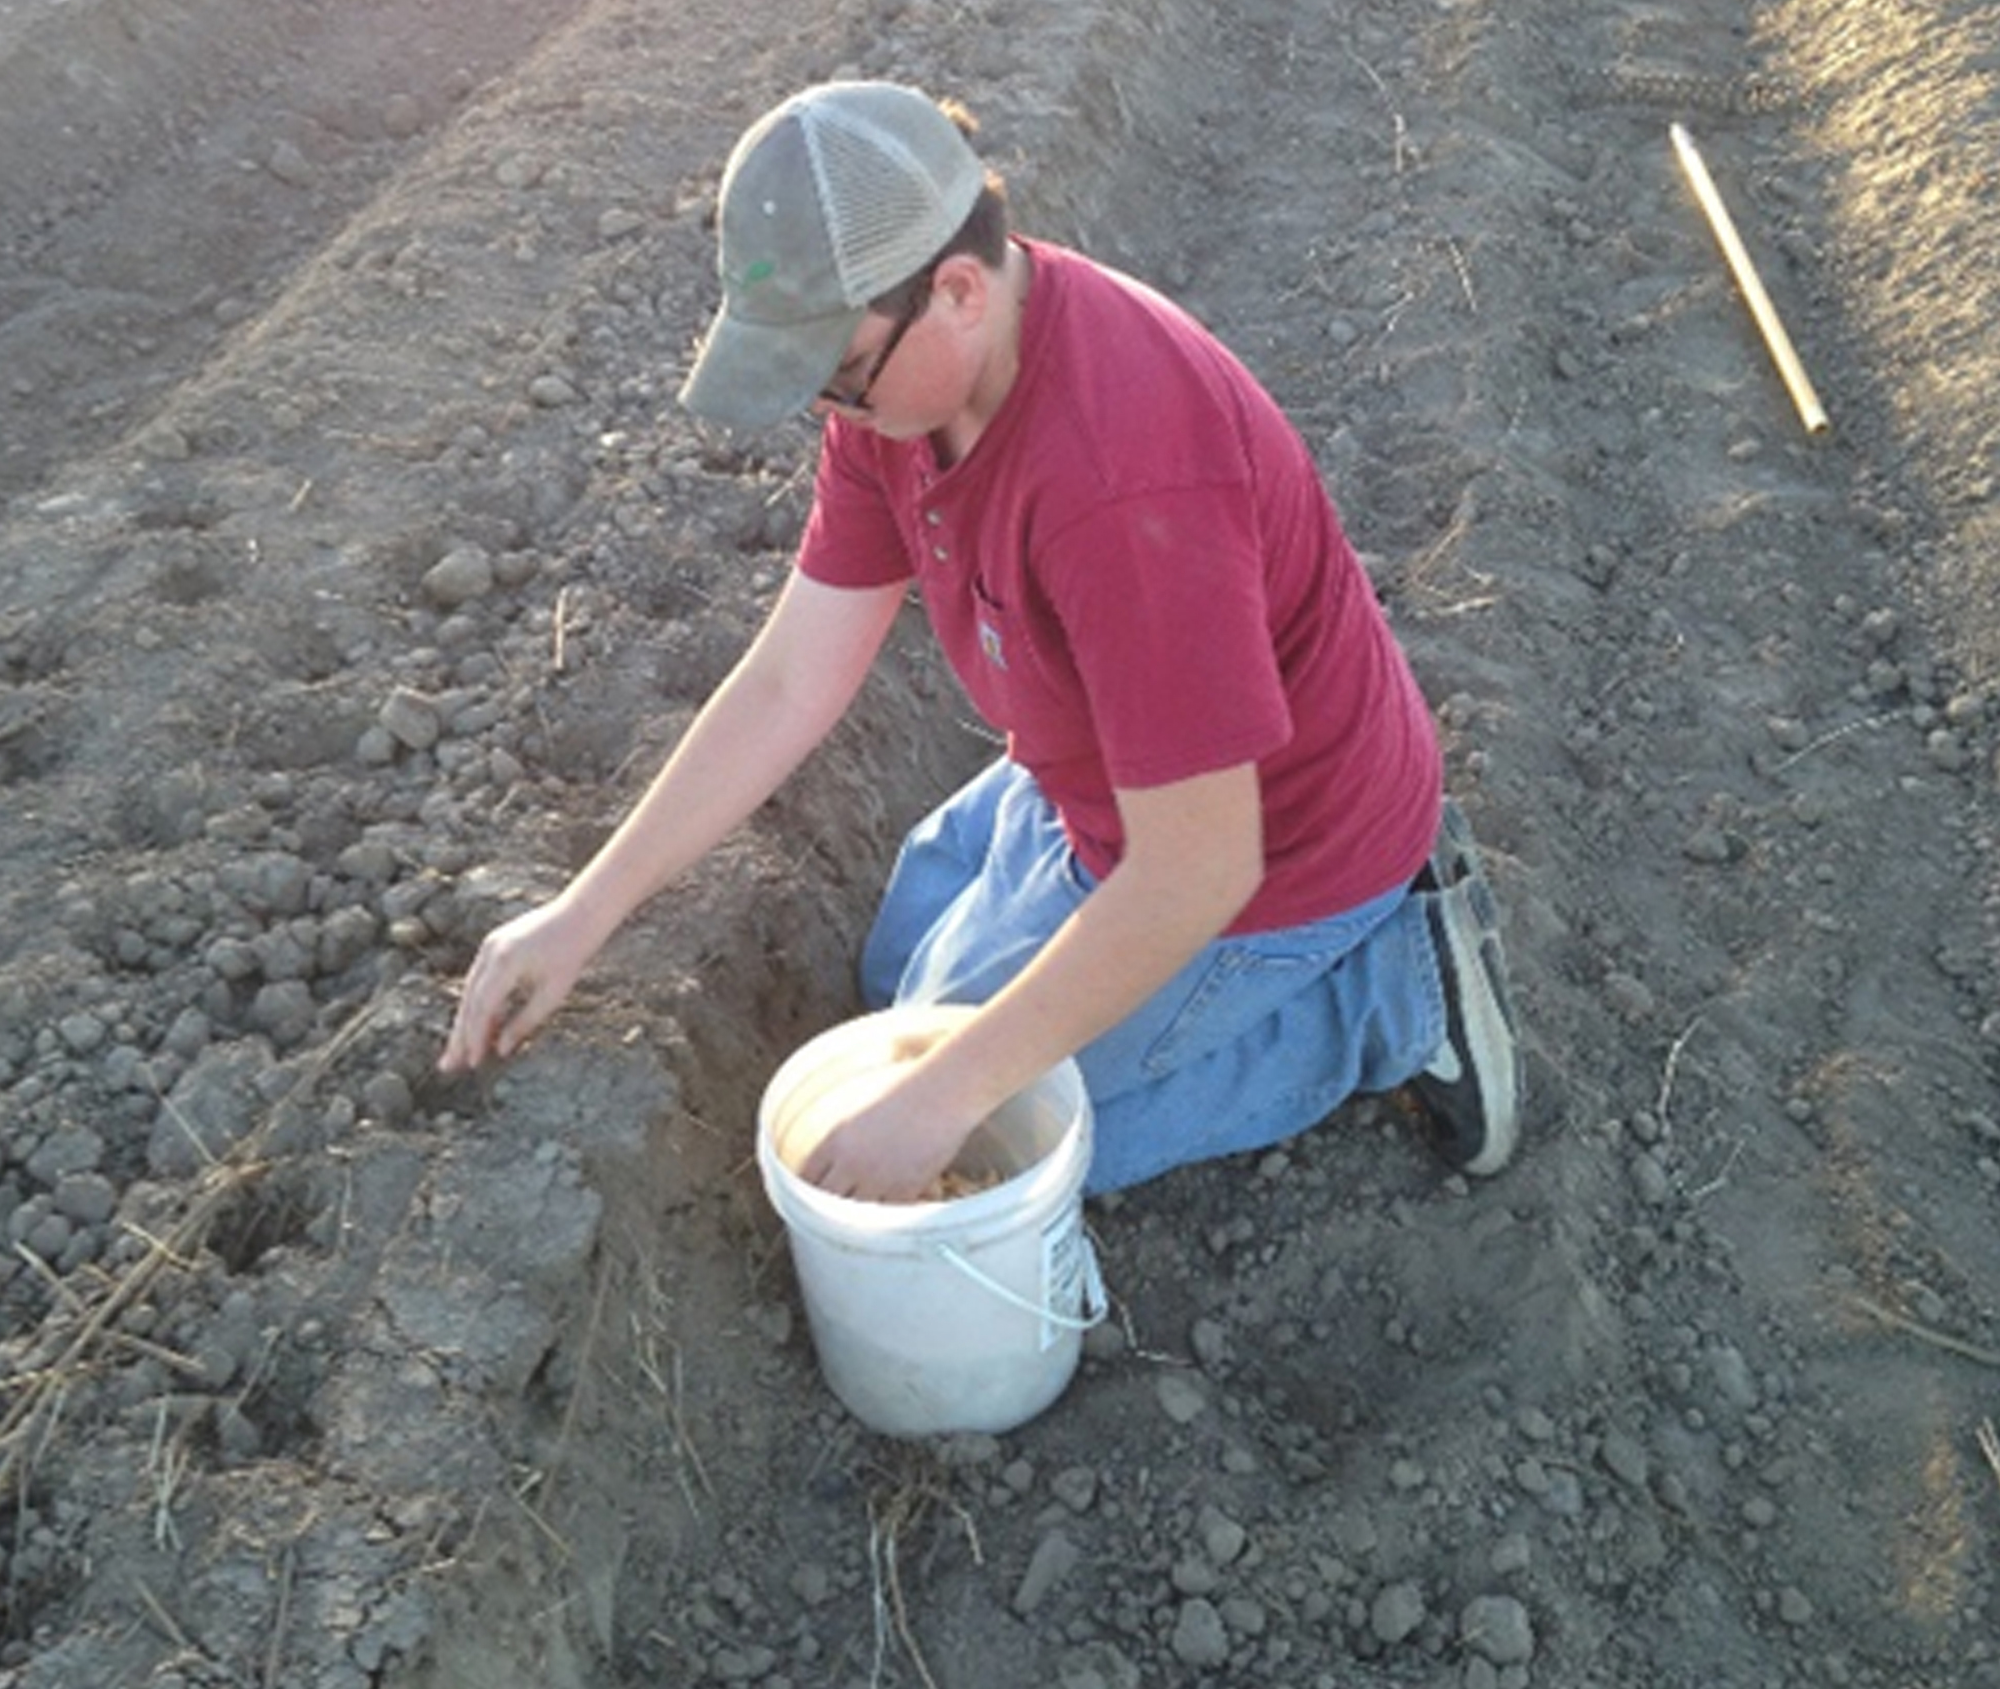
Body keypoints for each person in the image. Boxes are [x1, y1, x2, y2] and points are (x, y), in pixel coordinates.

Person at [439, 78, 1522, 1202]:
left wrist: (949, 1100)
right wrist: (585, 909)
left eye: (835, 375)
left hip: (1276, 856)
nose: (825, 410)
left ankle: (1386, 997)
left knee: (1010, 1145)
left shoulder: (1122, 480)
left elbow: (1200, 866)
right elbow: (790, 680)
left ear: (957, 289)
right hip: (1095, 782)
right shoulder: (901, 396)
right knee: (900, 989)